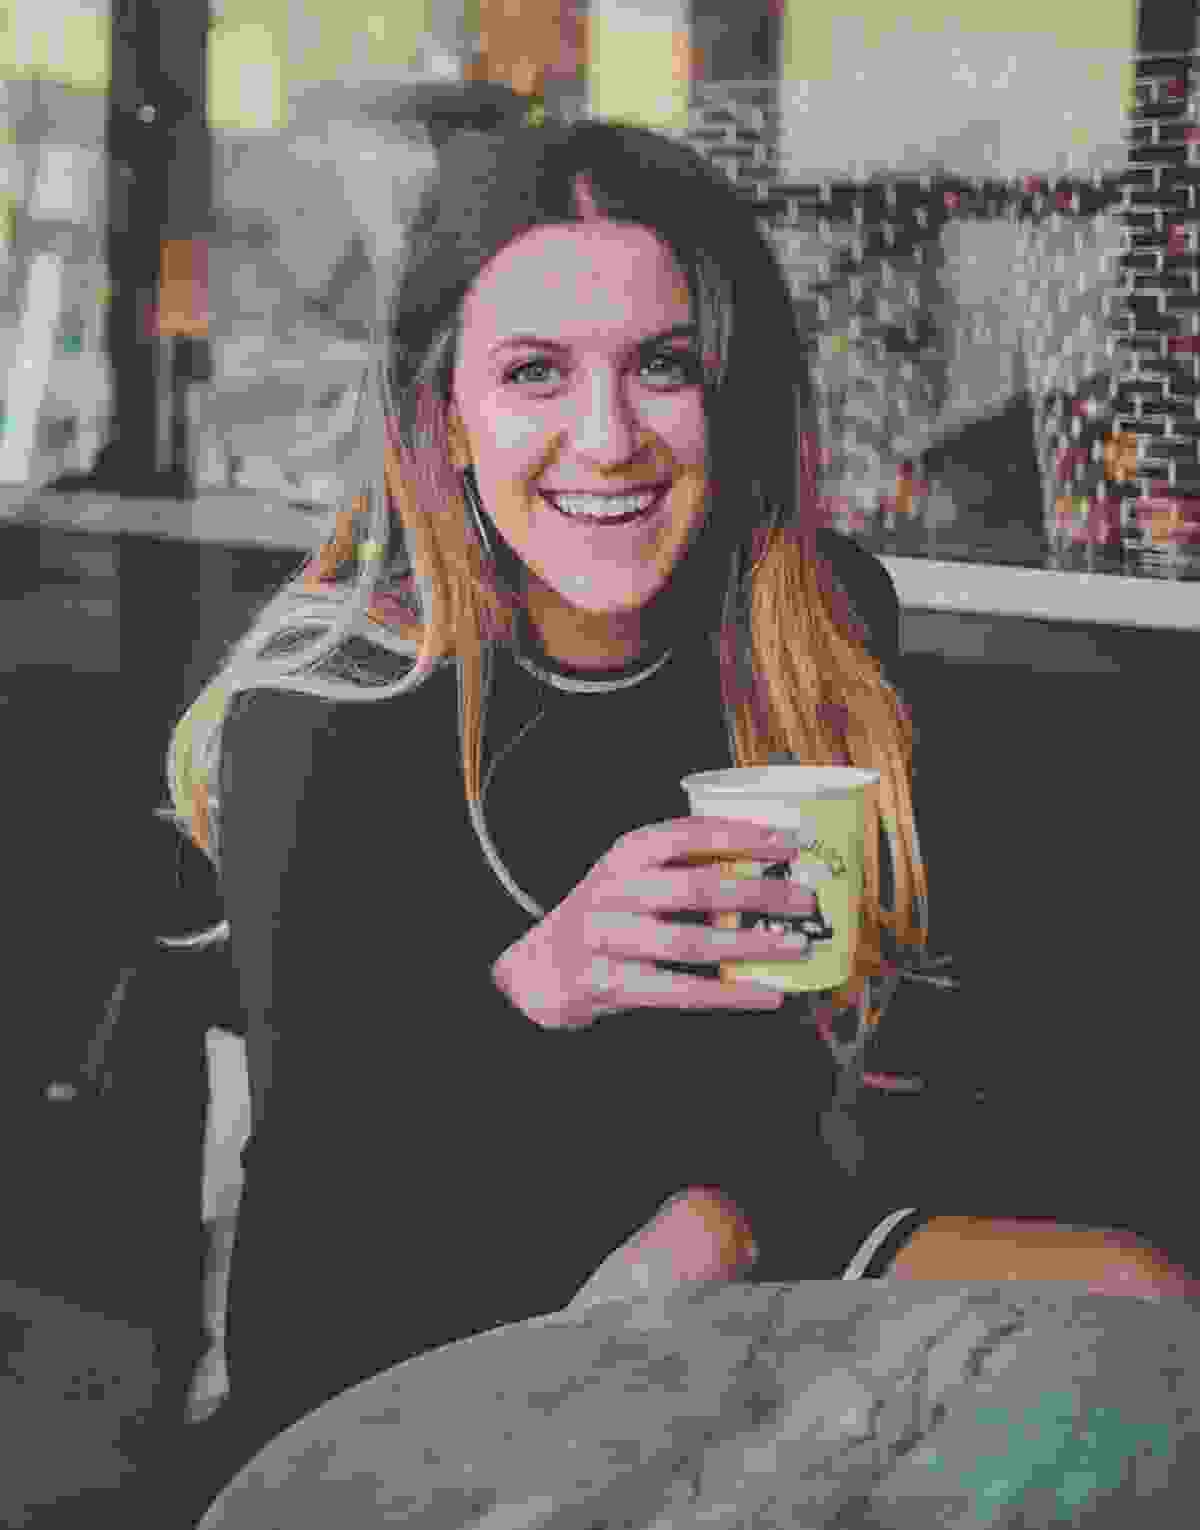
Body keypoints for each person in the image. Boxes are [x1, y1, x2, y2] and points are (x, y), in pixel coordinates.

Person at [164, 113, 1191, 1520]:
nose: (607, 440)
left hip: (744, 1244)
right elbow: (316, 1265)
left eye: (663, 365)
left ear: (732, 390)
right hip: (428, 1326)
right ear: (445, 412)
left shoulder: (810, 625)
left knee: (1142, 1313)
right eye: (535, 372)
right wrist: (541, 982)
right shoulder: (327, 705)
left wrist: (717, 1224)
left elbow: (814, 1094)